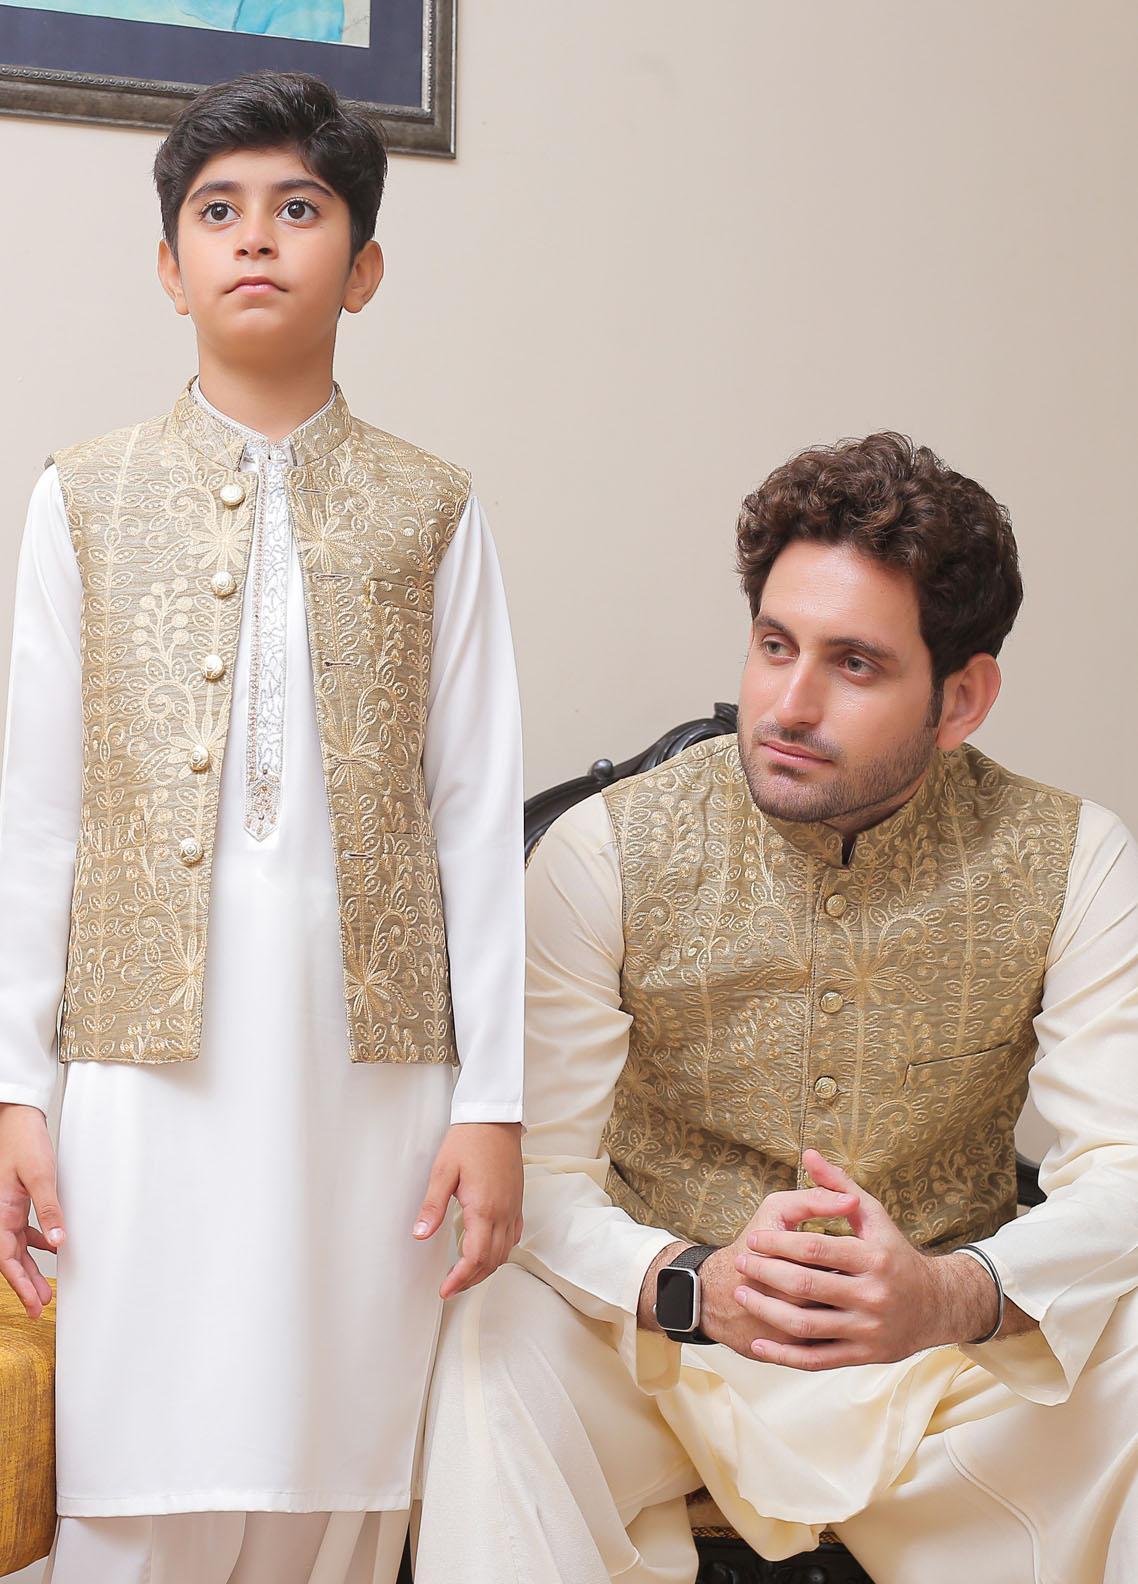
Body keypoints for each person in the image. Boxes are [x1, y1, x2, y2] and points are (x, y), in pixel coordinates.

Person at [417, 433, 1138, 1584]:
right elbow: (530, 1173)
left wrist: (949, 1294)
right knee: (492, 1327)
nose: (788, 704)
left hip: (948, 1376)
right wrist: (691, 1284)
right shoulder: (606, 851)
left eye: (854, 664)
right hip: (663, 1363)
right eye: (773, 645)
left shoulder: (1075, 859)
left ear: (960, 697)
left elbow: (1125, 1171)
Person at [0, 69, 524, 1584]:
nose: (255, 237)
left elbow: (474, 810)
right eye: (217, 210)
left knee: (339, 1468)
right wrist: (14, 1087)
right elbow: (37, 813)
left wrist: (492, 1102)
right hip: (135, 1071)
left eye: (300, 208)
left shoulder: (433, 508)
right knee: (130, 1458)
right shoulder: (82, 499)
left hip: (374, 1078)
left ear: (363, 268)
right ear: (169, 268)